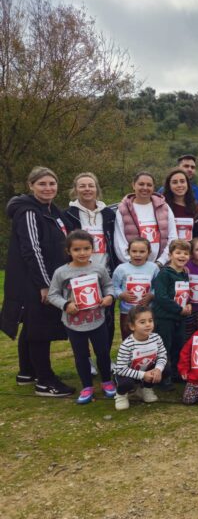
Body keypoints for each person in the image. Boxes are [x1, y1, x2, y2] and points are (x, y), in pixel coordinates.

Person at [1, 167, 74, 397]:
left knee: (31, 326)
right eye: (42, 184)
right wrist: (45, 284)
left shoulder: (52, 210)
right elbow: (32, 250)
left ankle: (26, 371)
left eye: (52, 183)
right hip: (34, 281)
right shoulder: (29, 212)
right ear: (31, 185)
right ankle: (45, 381)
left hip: (48, 277)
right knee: (40, 329)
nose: (48, 188)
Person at [47, 230, 115, 404]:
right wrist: (66, 305)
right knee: (81, 355)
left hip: (97, 320)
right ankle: (87, 386)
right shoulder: (61, 272)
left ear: (92, 249)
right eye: (77, 250)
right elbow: (52, 295)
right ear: (69, 251)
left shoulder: (99, 268)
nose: (82, 253)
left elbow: (109, 286)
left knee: (102, 353)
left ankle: (106, 381)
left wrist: (109, 297)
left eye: (86, 248)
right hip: (73, 324)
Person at [63, 172, 119, 365]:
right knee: (81, 318)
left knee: (107, 318)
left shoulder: (109, 214)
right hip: (77, 275)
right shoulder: (68, 215)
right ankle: (85, 359)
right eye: (82, 186)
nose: (87, 189)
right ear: (75, 189)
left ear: (97, 189)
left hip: (103, 274)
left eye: (91, 185)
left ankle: (103, 358)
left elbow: (114, 243)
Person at [151, 239, 192, 389]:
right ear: (170, 255)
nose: (182, 256)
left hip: (179, 318)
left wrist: (187, 305)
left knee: (178, 346)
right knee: (164, 348)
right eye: (178, 253)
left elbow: (183, 294)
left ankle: (176, 373)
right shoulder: (164, 274)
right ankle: (163, 377)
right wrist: (178, 309)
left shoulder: (184, 274)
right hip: (165, 318)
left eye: (185, 253)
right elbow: (161, 297)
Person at [115, 171, 178, 265]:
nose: (145, 188)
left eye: (149, 185)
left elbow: (173, 237)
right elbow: (119, 242)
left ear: (153, 187)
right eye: (141, 184)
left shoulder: (164, 207)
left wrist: (161, 262)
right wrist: (133, 263)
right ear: (133, 185)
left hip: (161, 266)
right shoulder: (123, 210)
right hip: (133, 267)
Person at [112, 305, 166, 410]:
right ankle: (121, 395)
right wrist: (143, 375)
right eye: (142, 322)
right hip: (127, 374)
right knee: (126, 383)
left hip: (146, 371)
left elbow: (162, 355)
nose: (148, 325)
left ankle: (145, 389)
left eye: (150, 321)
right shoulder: (127, 344)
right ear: (132, 326)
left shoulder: (156, 338)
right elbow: (121, 369)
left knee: (165, 368)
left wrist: (158, 370)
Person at [111, 237, 159, 340]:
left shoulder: (154, 268)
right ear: (128, 252)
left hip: (147, 312)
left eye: (142, 251)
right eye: (134, 251)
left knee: (148, 337)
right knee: (128, 337)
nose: (138, 254)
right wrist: (121, 294)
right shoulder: (121, 269)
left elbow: (158, 286)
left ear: (148, 252)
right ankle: (128, 355)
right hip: (127, 312)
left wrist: (152, 295)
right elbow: (114, 287)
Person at [162, 168, 198, 242]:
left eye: (182, 181)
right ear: (169, 185)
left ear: (188, 184)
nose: (179, 185)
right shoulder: (163, 208)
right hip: (168, 251)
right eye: (175, 182)